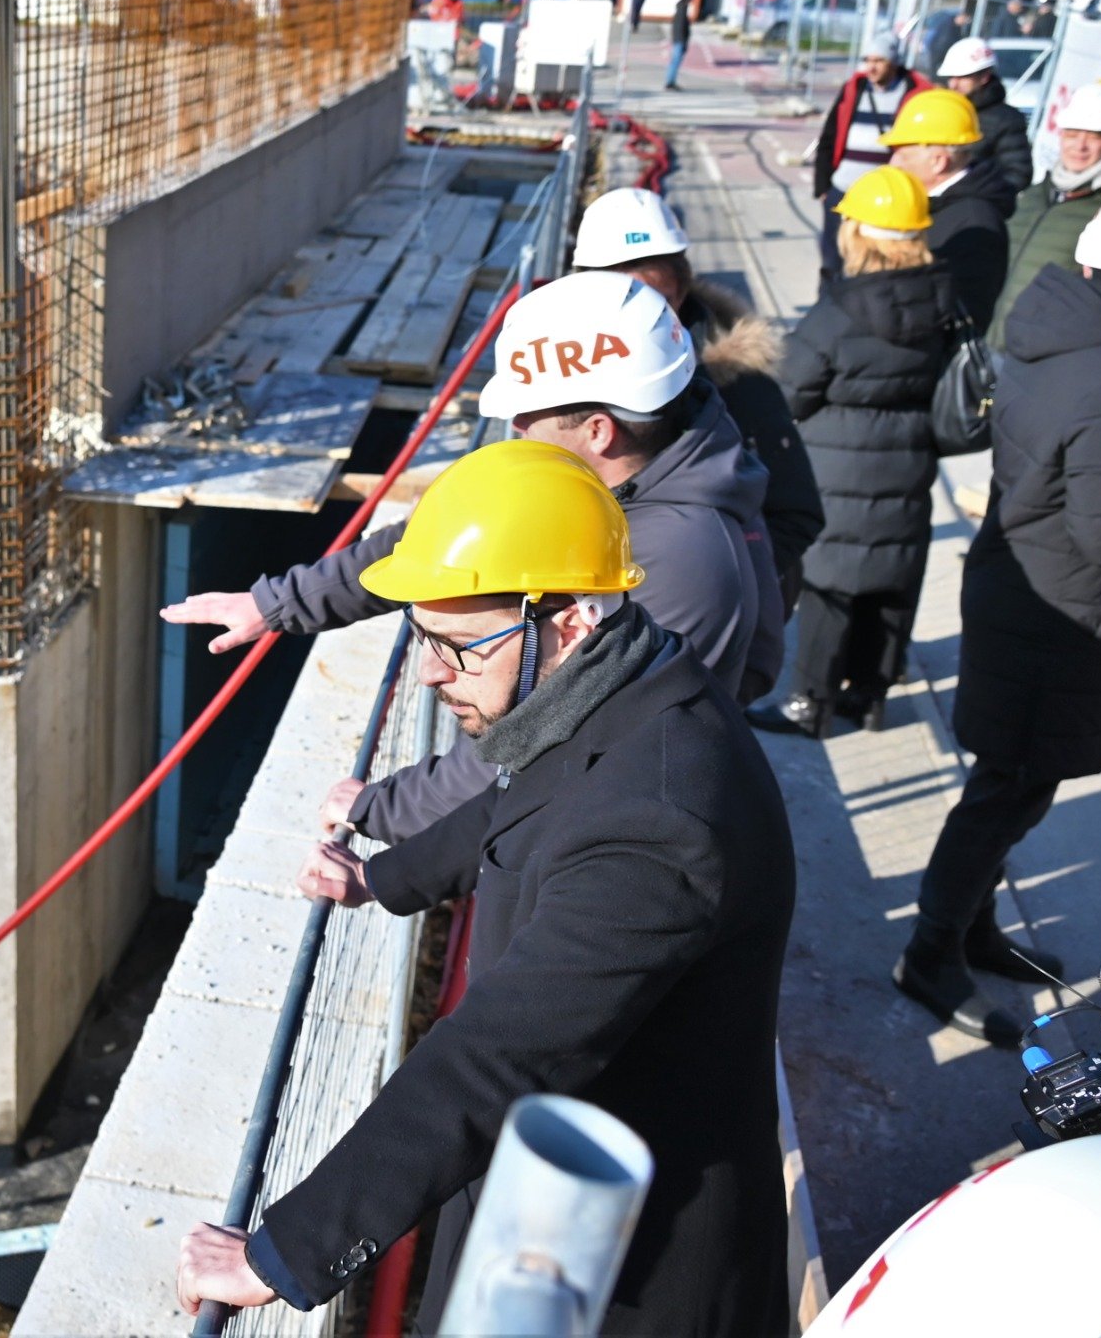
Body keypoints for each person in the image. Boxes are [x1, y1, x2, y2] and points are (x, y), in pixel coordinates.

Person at [173, 438, 795, 1336]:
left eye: (459, 645)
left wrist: (284, 1251)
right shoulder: (625, 682)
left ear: (572, 619)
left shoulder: (660, 821)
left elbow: (499, 1051)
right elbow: (519, 802)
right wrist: (381, 878)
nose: (430, 670)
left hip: (620, 1266)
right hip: (559, 1188)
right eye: (421, 634)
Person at [164, 272, 785, 844]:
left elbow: (541, 733)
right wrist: (279, 604)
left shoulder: (677, 561)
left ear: (599, 429)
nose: (513, 427)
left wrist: (383, 811)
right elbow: (439, 543)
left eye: (526, 415)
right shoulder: (637, 467)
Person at [905, 180, 1101, 1045]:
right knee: (1006, 791)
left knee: (1013, 784)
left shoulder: (1059, 334)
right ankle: (929, 953)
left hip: (1029, 588)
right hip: (1063, 614)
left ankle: (970, 926)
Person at [752, 168, 958, 737]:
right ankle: (869, 698)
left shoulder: (840, 312)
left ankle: (807, 705)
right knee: (890, 585)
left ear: (859, 234)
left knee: (829, 593)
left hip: (838, 473)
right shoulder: (942, 299)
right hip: (910, 466)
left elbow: (789, 388)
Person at [572, 186, 822, 606]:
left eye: (654, 300)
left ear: (681, 292)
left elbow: (796, 511)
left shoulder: (739, 384)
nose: (639, 318)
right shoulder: (560, 380)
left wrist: (721, 586)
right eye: (622, 299)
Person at [989, 81, 1101, 347]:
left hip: (1042, 353)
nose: (1079, 146)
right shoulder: (1036, 194)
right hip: (994, 341)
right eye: (1072, 133)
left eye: (1094, 135)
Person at [878, 87, 1021, 329]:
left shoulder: (976, 224)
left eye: (902, 154)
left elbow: (962, 316)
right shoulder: (939, 204)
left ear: (938, 161)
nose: (894, 163)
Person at [811, 42, 931, 277]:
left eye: (879, 61)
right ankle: (827, 302)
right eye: (868, 60)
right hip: (842, 189)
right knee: (832, 259)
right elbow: (829, 136)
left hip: (882, 198)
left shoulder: (914, 93)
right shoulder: (854, 89)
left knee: (873, 261)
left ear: (894, 63)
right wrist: (823, 187)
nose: (871, 67)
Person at [936, 37, 1036, 194]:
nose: (954, 84)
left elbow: (1018, 174)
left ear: (984, 77)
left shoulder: (1007, 120)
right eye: (951, 77)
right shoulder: (944, 110)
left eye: (962, 77)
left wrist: (979, 197)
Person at [663, 0, 692, 89]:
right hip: (680, 40)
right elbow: (681, 28)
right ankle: (670, 82)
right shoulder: (682, 11)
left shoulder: (680, 10)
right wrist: (683, 41)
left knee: (674, 61)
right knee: (675, 61)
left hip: (677, 39)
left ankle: (670, 81)